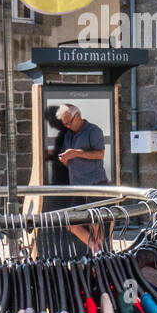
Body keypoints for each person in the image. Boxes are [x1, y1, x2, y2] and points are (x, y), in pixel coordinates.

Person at [56, 103, 107, 253]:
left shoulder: (94, 131)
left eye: (69, 122)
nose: (67, 126)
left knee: (95, 223)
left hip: (95, 184)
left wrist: (77, 153)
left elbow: (100, 154)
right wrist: (65, 160)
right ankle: (97, 250)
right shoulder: (68, 134)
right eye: (64, 124)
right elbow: (70, 161)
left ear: (77, 116)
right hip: (77, 186)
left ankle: (99, 255)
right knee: (71, 223)